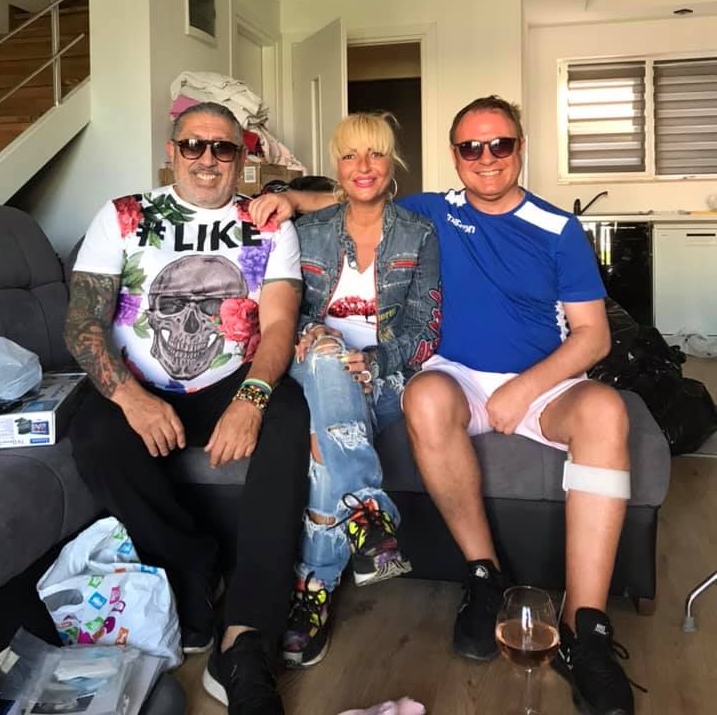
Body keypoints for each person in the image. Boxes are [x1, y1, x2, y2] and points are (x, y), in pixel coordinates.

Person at [250, 96, 636, 715]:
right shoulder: (433, 212)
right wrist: (291, 199)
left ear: (520, 147)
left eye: (500, 144)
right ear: (455, 156)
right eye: (471, 147)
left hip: (539, 380)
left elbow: (594, 336)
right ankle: (483, 577)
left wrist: (524, 388)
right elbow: (356, 198)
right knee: (425, 396)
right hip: (455, 376)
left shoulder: (558, 229)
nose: (486, 158)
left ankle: (584, 629)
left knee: (607, 412)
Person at [65, 102, 309, 715]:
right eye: (193, 145)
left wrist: (252, 399)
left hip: (230, 379)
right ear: (172, 151)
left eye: (222, 148)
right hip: (139, 382)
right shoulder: (123, 217)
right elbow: (82, 322)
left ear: (241, 157)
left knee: (287, 416)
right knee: (93, 433)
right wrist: (131, 397)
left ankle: (246, 638)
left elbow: (280, 325)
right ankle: (192, 564)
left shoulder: (268, 226)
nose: (207, 159)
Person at [282, 112, 441, 669]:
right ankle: (369, 513)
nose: (363, 166)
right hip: (316, 367)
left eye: (375, 153)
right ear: (337, 165)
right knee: (328, 361)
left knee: (325, 444)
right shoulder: (307, 233)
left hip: (389, 377)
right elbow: (283, 311)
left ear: (392, 161)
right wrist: (314, 331)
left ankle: (312, 591)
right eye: (350, 155)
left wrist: (376, 360)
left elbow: (426, 328)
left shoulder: (418, 234)